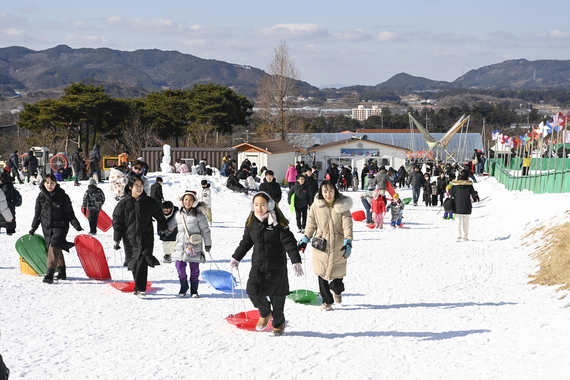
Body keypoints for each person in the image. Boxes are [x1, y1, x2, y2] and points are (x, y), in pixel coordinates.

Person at [231, 191, 302, 335]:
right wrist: (236, 257)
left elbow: (289, 242)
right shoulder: (252, 221)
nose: (259, 208)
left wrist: (296, 260)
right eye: (256, 205)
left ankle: (278, 323)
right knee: (252, 290)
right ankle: (265, 313)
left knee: (277, 298)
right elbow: (246, 242)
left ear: (270, 205)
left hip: (276, 267)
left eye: (262, 204)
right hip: (258, 265)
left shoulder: (278, 223)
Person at [299, 180, 353, 311]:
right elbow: (311, 224)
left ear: (335, 191)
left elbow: (347, 226)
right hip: (321, 244)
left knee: (338, 279)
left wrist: (348, 241)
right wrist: (305, 239)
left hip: (338, 246)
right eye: (325, 191)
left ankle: (337, 290)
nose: (328, 194)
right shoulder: (316, 206)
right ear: (321, 192)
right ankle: (327, 301)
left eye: (330, 190)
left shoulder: (343, 206)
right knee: (321, 273)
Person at [112, 176, 168, 297]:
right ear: (130, 187)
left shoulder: (149, 202)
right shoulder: (124, 204)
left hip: (146, 236)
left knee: (143, 259)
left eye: (141, 185)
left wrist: (164, 229)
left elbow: (159, 215)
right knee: (134, 262)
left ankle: (139, 289)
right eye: (136, 185)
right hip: (130, 238)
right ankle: (138, 286)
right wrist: (116, 239)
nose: (139, 188)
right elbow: (117, 221)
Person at [29, 174, 83, 283]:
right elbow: (37, 215)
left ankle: (49, 274)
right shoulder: (40, 197)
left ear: (56, 183)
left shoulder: (63, 196)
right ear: (43, 183)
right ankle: (62, 272)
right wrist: (33, 228)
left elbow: (69, 213)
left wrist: (76, 225)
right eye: (47, 183)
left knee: (54, 246)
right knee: (54, 248)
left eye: (52, 183)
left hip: (61, 226)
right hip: (47, 227)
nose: (49, 185)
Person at [172, 190, 211, 298]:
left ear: (194, 202)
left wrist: (208, 244)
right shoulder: (178, 214)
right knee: (179, 266)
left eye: (190, 200)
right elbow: (171, 225)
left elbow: (206, 230)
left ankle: (194, 290)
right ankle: (183, 286)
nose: (187, 202)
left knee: (194, 268)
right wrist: (165, 230)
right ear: (182, 201)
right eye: (185, 200)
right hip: (180, 245)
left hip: (194, 245)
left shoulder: (199, 215)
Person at [450, 170, 477, 242]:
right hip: (466, 205)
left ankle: (458, 237)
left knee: (458, 222)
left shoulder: (455, 184)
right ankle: (465, 237)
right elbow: (473, 194)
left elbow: (451, 194)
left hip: (457, 205)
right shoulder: (469, 185)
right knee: (466, 222)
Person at [0, 168, 16, 235]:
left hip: (7, 207)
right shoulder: (7, 183)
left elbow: (3, 198)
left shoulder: (6, 185)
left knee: (9, 223)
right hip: (7, 207)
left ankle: (10, 233)